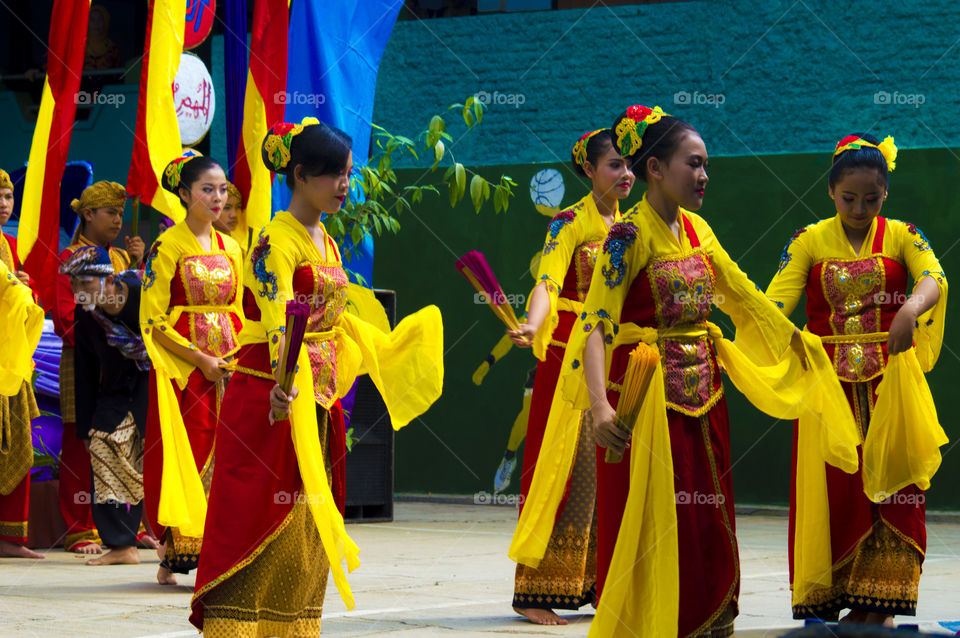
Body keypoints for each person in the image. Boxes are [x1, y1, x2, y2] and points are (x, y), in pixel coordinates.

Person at [517, 105, 857, 637]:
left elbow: (742, 294)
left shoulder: (698, 230)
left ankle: (707, 622)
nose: (704, 176)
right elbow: (596, 325)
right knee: (650, 519)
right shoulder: (627, 238)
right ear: (655, 169)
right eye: (693, 164)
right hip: (644, 399)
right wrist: (603, 405)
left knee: (705, 514)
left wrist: (798, 341)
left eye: (705, 166)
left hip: (704, 397)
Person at [190, 118, 444, 636]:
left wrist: (384, 346)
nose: (344, 186)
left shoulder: (324, 240)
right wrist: (285, 385)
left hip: (318, 401)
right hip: (272, 398)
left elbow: (333, 317)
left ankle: (292, 626)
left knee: (305, 525)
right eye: (334, 175)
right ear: (300, 175)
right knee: (258, 515)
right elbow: (282, 316)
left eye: (348, 174)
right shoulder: (273, 245)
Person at [762, 134, 947, 626]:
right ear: (830, 192)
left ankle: (881, 603)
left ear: (885, 193)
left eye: (871, 198)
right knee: (835, 488)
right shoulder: (809, 240)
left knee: (897, 486)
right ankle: (838, 596)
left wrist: (909, 307)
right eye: (849, 198)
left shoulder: (904, 234)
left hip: (892, 384)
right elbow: (775, 303)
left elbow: (935, 277)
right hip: (830, 389)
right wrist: (768, 329)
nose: (859, 208)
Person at [506, 128, 634, 625]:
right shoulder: (569, 223)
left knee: (610, 468)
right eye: (614, 165)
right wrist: (534, 323)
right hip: (570, 359)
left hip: (619, 356)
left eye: (629, 165)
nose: (626, 174)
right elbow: (549, 280)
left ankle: (599, 583)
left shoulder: (635, 225)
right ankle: (535, 589)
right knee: (563, 466)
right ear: (588, 170)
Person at [140, 155, 244, 585]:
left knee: (231, 454)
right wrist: (199, 359)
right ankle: (175, 552)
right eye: (207, 189)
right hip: (186, 369)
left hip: (230, 363)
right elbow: (152, 318)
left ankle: (222, 550)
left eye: (222, 190)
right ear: (184, 194)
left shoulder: (233, 248)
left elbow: (240, 307)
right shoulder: (167, 246)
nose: (217, 198)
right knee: (190, 452)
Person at [53, 180, 144, 554]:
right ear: (88, 215)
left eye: (122, 213)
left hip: (125, 365)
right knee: (83, 440)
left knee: (130, 444)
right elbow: (64, 316)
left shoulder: (121, 258)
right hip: (85, 359)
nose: (119, 220)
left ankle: (126, 525)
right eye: (111, 212)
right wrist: (103, 338)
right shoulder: (70, 258)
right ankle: (79, 528)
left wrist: (137, 265)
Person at [61, 246, 151, 566]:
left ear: (109, 280)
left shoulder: (142, 294)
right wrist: (85, 426)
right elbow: (85, 370)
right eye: (74, 285)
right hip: (114, 390)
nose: (78, 292)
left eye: (85, 284)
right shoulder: (85, 313)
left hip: (155, 383)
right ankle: (121, 544)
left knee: (157, 458)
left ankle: (175, 540)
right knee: (100, 444)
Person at [0, 195, 44, 558]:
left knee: (18, 445)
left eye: (8, 196)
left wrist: (22, 284)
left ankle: (12, 537)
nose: (4, 202)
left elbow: (31, 300)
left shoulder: (12, 245)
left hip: (12, 360)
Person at [213, 181, 252, 257]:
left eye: (238, 207)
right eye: (227, 208)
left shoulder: (238, 246)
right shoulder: (204, 246)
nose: (234, 215)